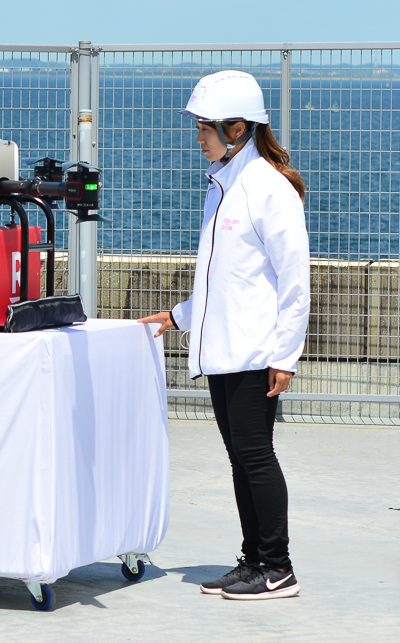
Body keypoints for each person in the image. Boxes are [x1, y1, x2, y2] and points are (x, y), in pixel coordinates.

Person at [139, 70, 310, 601]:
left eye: (204, 127)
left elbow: (295, 283)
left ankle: (278, 568)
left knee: (256, 458)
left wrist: (285, 357)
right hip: (223, 351)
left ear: (237, 128)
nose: (198, 137)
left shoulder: (270, 189)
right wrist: (176, 317)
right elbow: (223, 278)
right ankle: (253, 560)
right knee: (240, 460)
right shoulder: (223, 183)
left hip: (256, 353)